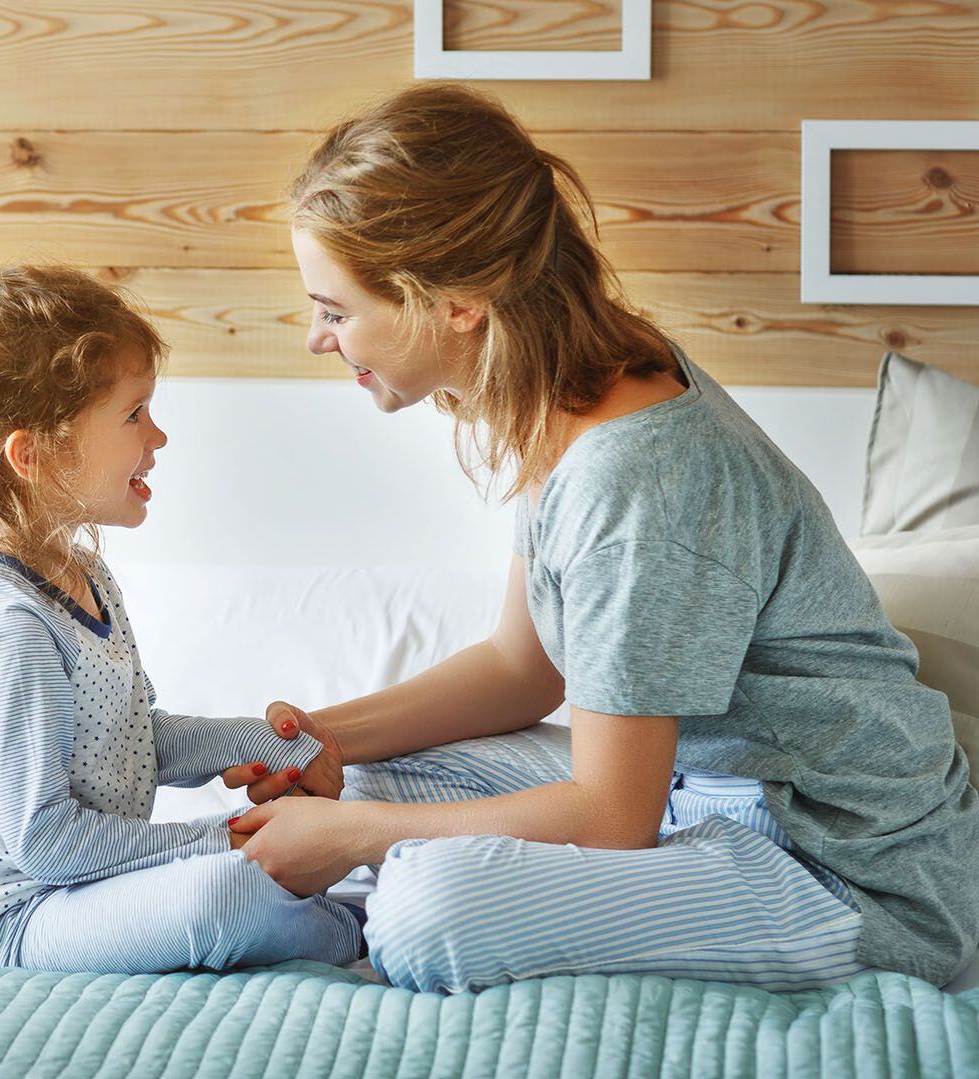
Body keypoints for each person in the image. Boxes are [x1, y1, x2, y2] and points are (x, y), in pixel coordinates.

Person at [230, 83, 979, 994]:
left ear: (459, 300)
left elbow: (612, 812)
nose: (316, 337)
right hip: (691, 787)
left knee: (426, 915)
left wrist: (352, 841)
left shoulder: (632, 475)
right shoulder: (568, 378)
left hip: (841, 870)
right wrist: (323, 739)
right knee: (373, 782)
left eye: (336, 309)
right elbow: (522, 666)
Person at [0, 241, 358, 973]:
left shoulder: (84, 574)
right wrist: (223, 836)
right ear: (33, 455)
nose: (158, 437)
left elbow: (135, 745)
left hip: (72, 887)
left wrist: (267, 743)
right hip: (9, 921)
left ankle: (338, 906)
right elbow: (48, 842)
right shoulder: (11, 631)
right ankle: (362, 933)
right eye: (135, 414)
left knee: (243, 875)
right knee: (222, 895)